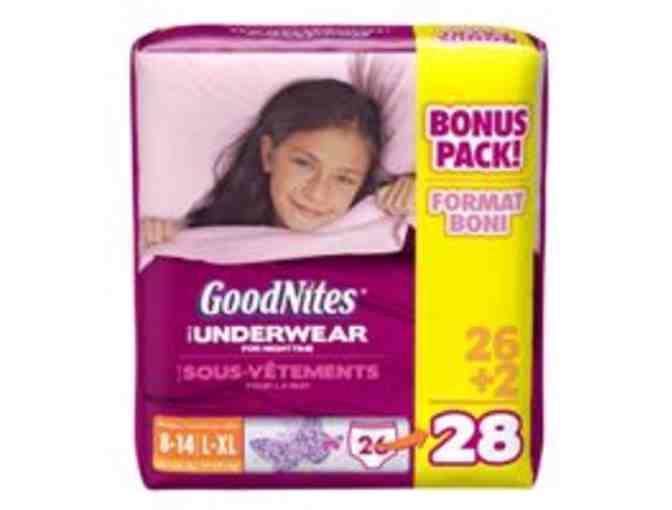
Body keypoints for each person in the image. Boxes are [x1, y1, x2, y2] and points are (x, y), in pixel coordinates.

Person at [142, 79, 414, 248]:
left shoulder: (378, 223)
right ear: (268, 154)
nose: (317, 193)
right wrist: (163, 235)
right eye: (304, 164)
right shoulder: (215, 232)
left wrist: (418, 193)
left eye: (344, 179)